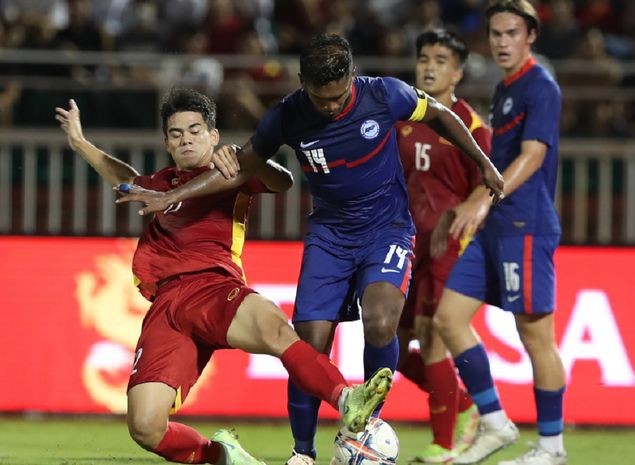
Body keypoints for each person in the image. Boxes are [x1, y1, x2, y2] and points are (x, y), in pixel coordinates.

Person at [115, 34, 504, 465]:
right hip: (329, 237)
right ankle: (303, 453)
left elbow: (441, 116)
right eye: (322, 99)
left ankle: (366, 423)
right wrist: (174, 195)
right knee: (309, 342)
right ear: (303, 83)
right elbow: (240, 168)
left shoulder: (385, 94)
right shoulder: (286, 116)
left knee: (380, 323)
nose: (332, 107)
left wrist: (483, 163)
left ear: (352, 77)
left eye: (339, 98)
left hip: (386, 229)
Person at [54, 87, 393, 465]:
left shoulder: (227, 172)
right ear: (167, 142)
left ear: (213, 135)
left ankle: (348, 399)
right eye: (177, 133)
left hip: (213, 287)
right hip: (166, 308)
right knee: (146, 426)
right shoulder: (161, 184)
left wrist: (246, 160)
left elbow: (283, 181)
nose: (186, 139)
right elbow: (126, 179)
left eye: (195, 130)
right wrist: (81, 143)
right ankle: (226, 458)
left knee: (274, 329)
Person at [431, 1, 566, 465]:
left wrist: (482, 198)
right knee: (448, 318)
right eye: (495, 34)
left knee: (536, 337)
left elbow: (532, 156)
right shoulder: (507, 88)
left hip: (525, 226)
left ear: (530, 36)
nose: (502, 42)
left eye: (511, 33)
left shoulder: (540, 87)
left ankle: (551, 447)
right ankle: (494, 423)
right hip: (496, 228)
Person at [394, 29, 491, 463]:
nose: (429, 67)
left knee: (432, 339)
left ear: (457, 72)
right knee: (391, 345)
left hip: (448, 248)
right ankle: (466, 404)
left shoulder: (470, 126)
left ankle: (443, 446)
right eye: (423, 58)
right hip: (401, 244)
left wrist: (470, 209)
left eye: (439, 60)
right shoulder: (400, 117)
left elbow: (489, 186)